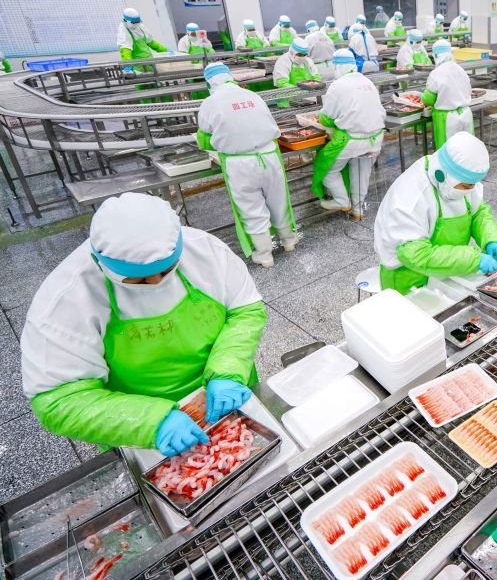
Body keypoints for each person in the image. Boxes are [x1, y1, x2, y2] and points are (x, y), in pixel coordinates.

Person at [20, 193, 266, 454]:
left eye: (167, 270)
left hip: (227, 396)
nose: (156, 283)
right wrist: (150, 421)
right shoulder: (64, 301)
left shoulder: (206, 251)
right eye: (139, 280)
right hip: (144, 432)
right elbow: (59, 399)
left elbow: (245, 311)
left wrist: (228, 370)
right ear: (102, 264)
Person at [374, 132, 497, 293]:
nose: (470, 190)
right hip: (410, 278)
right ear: (442, 175)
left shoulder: (460, 177)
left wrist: (492, 240)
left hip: (448, 268)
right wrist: (472, 259)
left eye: (473, 185)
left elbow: (478, 212)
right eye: (466, 186)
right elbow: (415, 254)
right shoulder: (410, 197)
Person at [196, 63, 298, 267]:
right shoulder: (252, 95)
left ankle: (265, 255)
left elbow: (205, 137)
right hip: (269, 155)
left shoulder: (209, 103)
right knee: (278, 201)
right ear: (229, 76)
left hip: (239, 162)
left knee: (251, 208)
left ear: (210, 82)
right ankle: (289, 241)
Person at [313, 50, 386, 220]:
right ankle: (358, 210)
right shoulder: (367, 81)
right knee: (361, 173)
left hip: (352, 141)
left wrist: (321, 117)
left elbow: (327, 118)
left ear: (337, 66)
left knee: (328, 171)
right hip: (375, 138)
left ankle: (341, 201)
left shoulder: (337, 85)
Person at [422, 40, 472, 150]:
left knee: (448, 151)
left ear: (435, 55)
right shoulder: (460, 69)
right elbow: (469, 91)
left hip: (447, 118)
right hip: (465, 114)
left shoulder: (437, 73)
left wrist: (422, 96)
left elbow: (428, 99)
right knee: (466, 149)